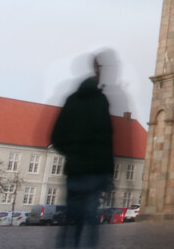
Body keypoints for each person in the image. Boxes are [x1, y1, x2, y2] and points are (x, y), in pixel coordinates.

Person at [51, 52, 115, 248]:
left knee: (72, 222)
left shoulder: (71, 100)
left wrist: (73, 154)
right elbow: (106, 139)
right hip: (94, 174)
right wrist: (107, 175)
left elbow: (56, 137)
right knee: (91, 222)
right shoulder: (100, 102)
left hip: (75, 172)